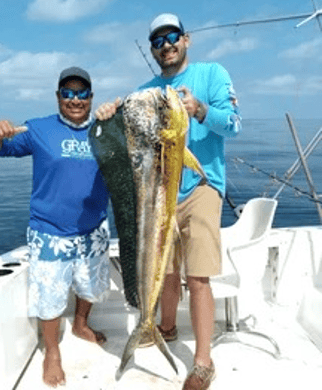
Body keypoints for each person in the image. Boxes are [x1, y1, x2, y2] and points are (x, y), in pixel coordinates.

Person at [96, 13, 241, 390]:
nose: (166, 46)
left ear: (186, 39)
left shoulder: (211, 75)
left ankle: (204, 363)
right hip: (159, 193)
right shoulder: (144, 91)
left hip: (200, 186)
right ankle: (165, 327)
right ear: (152, 50)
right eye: (157, 42)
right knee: (167, 271)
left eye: (172, 37)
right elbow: (127, 141)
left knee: (197, 275)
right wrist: (108, 115)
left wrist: (200, 110)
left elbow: (235, 125)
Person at [0, 66, 110, 387]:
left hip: (94, 230)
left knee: (91, 287)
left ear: (91, 97)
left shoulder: (105, 130)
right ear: (58, 97)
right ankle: (52, 351)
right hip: (49, 232)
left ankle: (81, 324)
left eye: (82, 93)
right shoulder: (38, 128)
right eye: (68, 92)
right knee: (49, 297)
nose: (75, 99)